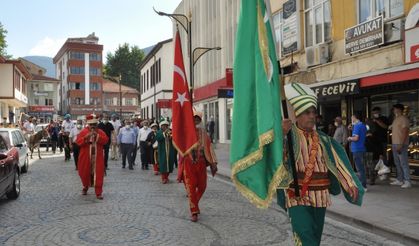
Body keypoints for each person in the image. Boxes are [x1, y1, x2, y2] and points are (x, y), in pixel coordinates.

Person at [280, 82, 364, 245]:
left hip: (320, 196)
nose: (312, 116)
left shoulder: (324, 140)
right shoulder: (288, 136)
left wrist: (350, 184)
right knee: (305, 237)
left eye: (313, 112)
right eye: (307, 112)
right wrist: (281, 134)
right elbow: (275, 159)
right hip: (296, 196)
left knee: (314, 239)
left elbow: (337, 163)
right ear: (297, 114)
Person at [182, 111, 218, 222]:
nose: (196, 121)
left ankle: (194, 204)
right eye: (194, 119)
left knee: (202, 186)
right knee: (191, 187)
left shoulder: (204, 133)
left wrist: (213, 163)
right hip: (189, 164)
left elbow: (210, 148)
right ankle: (194, 212)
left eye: (198, 119)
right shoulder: (186, 132)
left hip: (201, 163)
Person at [75, 114, 108, 199]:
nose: (93, 126)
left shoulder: (100, 132)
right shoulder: (83, 131)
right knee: (84, 172)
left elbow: (105, 140)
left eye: (94, 124)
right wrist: (86, 137)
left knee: (99, 173)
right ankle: (85, 187)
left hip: (97, 157)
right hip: (86, 157)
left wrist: (97, 136)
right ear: (88, 124)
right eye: (91, 124)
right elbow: (78, 142)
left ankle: (98, 192)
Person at [390, 104, 411, 188]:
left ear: (399, 109)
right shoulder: (396, 119)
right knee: (397, 163)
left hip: (400, 143)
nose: (394, 110)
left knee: (403, 163)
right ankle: (400, 179)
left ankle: (407, 181)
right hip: (395, 143)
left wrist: (401, 144)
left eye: (395, 109)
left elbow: (405, 131)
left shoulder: (404, 119)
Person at [348, 113, 368, 191]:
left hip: (357, 149)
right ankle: (363, 184)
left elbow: (356, 138)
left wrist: (350, 138)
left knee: (359, 168)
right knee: (362, 167)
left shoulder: (357, 126)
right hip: (362, 148)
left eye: (352, 117)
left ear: (354, 117)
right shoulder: (363, 125)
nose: (351, 119)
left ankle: (362, 186)